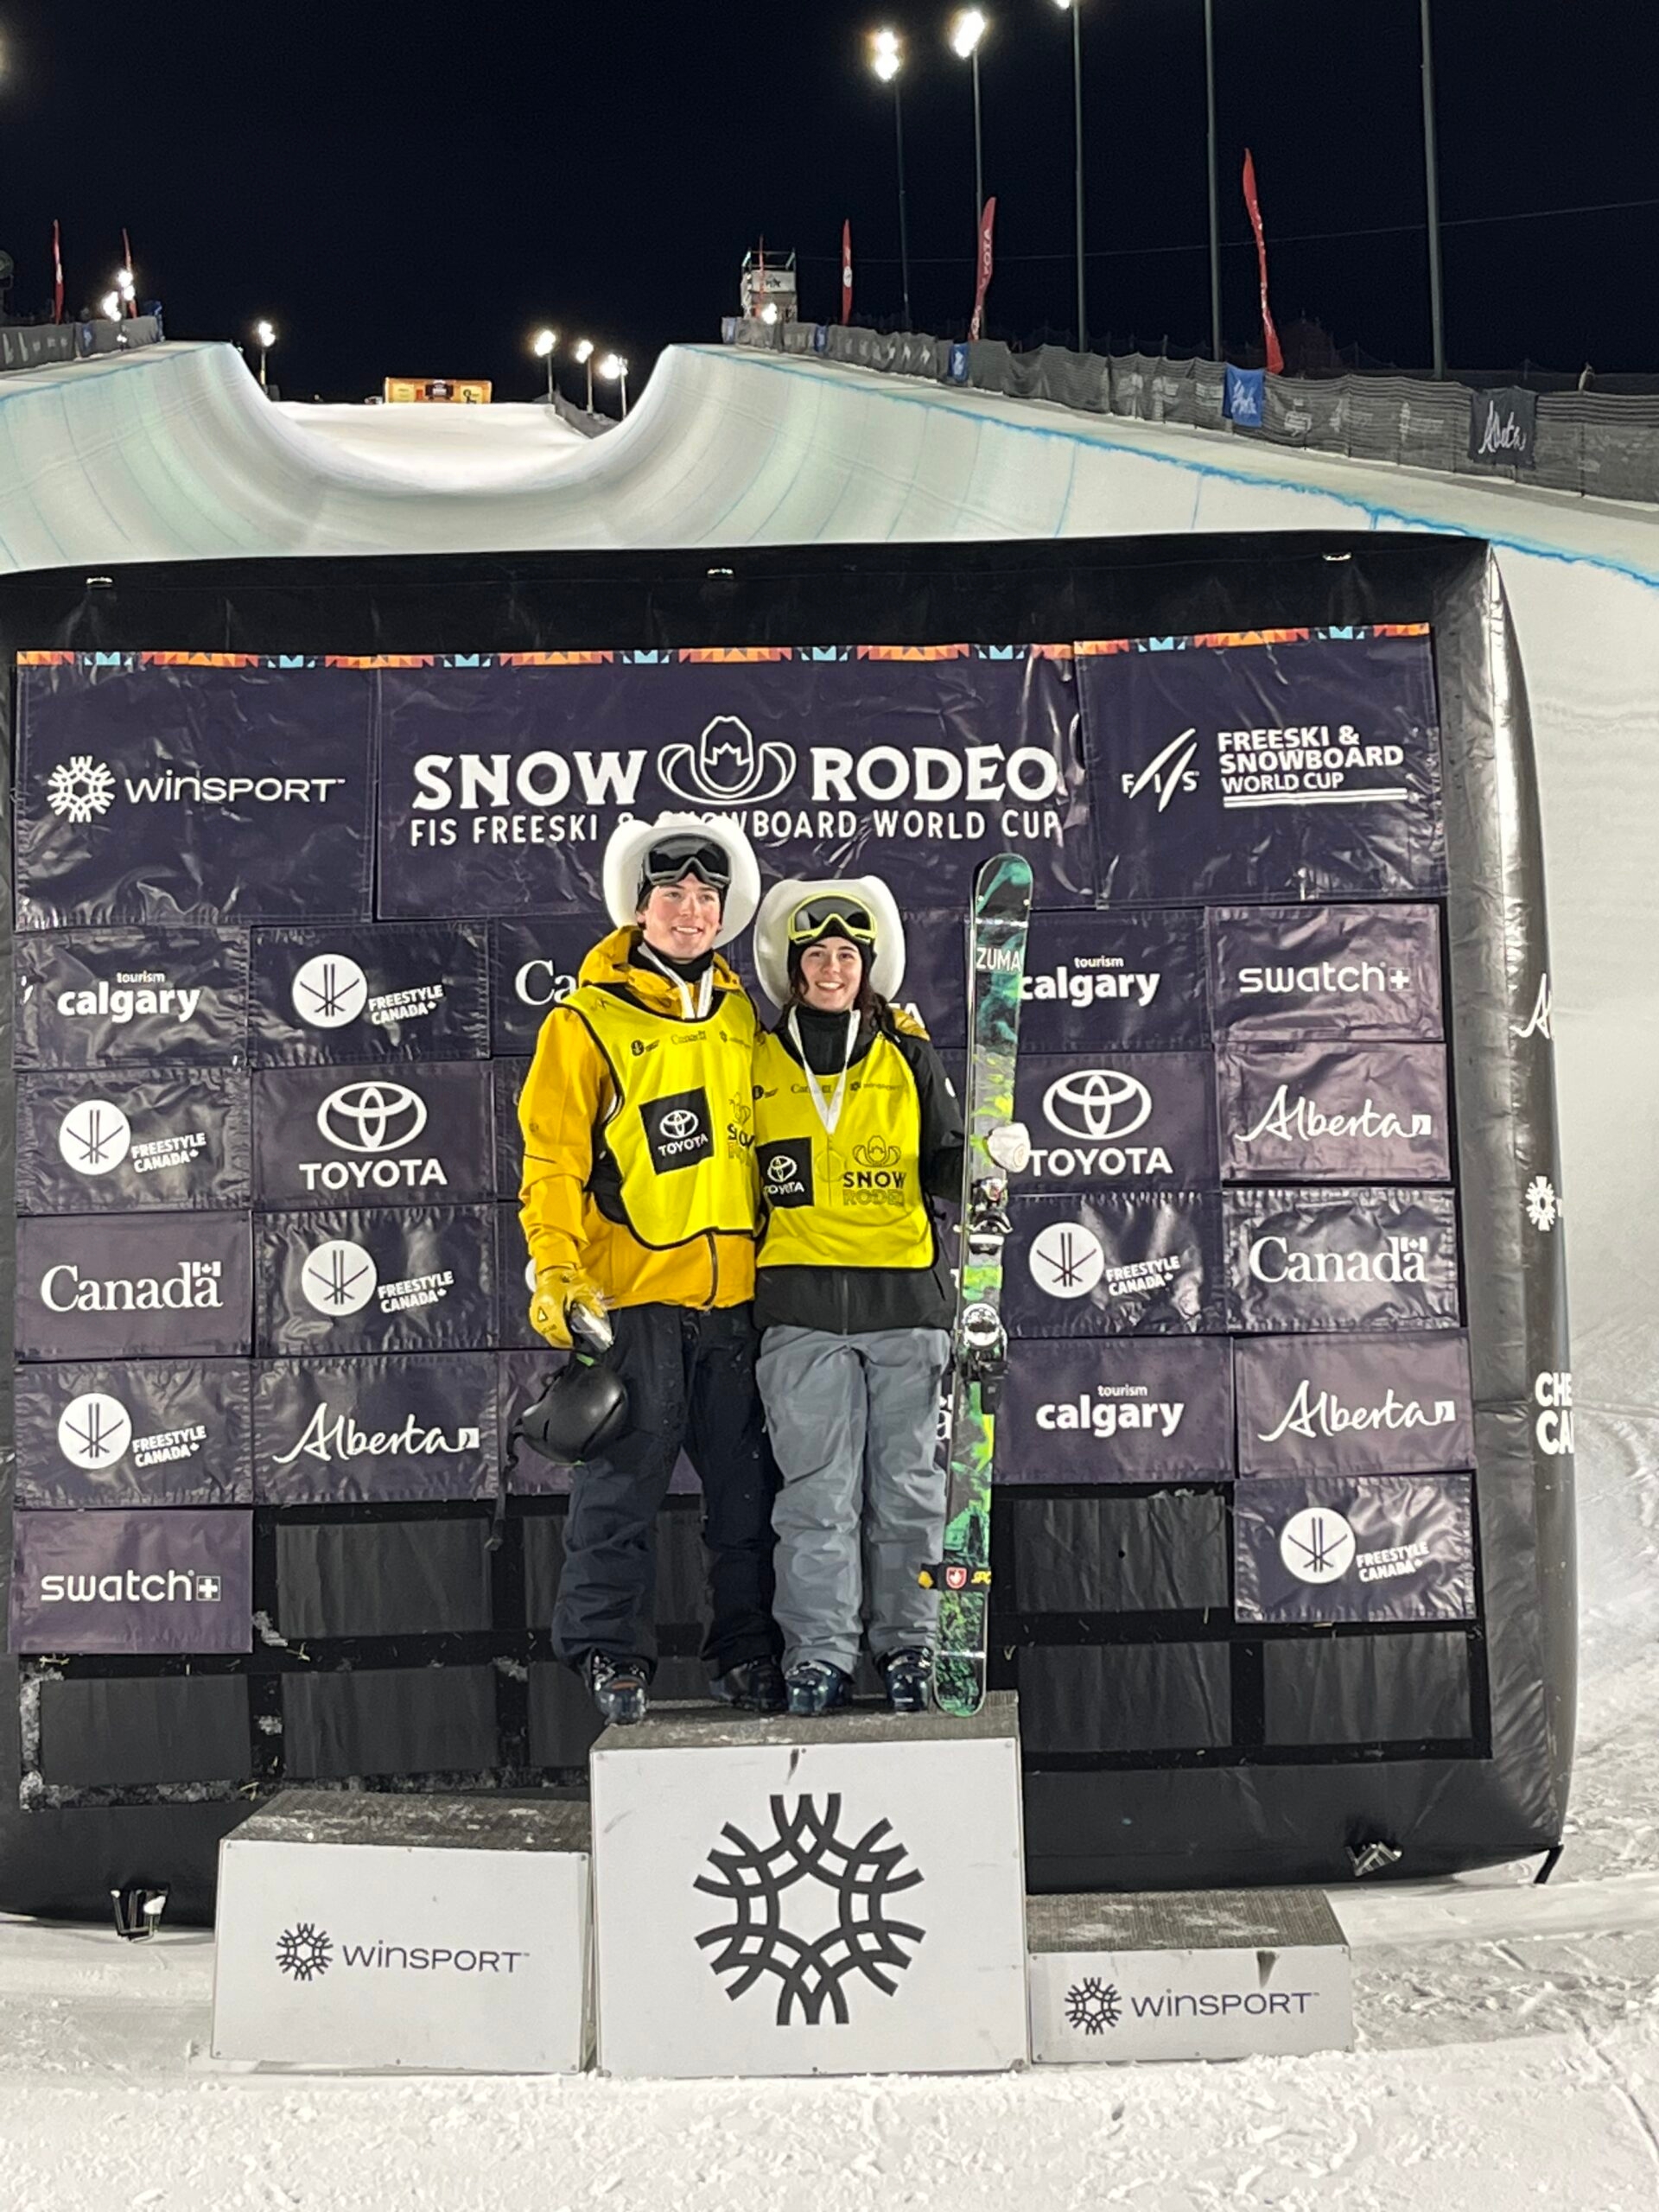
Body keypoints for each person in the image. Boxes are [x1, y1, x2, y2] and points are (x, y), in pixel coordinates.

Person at [518, 812, 785, 1726]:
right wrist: (556, 1274)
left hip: (736, 1302)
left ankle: (747, 1652)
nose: (690, 911)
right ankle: (610, 1653)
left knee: (748, 1498)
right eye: (671, 895)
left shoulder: (744, 1014)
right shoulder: (584, 1021)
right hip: (633, 1300)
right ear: (639, 910)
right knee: (621, 1490)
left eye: (706, 898)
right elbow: (549, 1162)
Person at [748, 876, 966, 1717]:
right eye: (817, 955)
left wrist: (990, 1166)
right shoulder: (758, 1058)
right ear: (794, 968)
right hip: (799, 1309)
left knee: (908, 1488)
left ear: (867, 967)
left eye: (847, 955)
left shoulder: (908, 1053)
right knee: (814, 1498)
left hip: (905, 1305)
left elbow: (946, 1161)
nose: (832, 967)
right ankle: (820, 1653)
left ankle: (910, 1644)